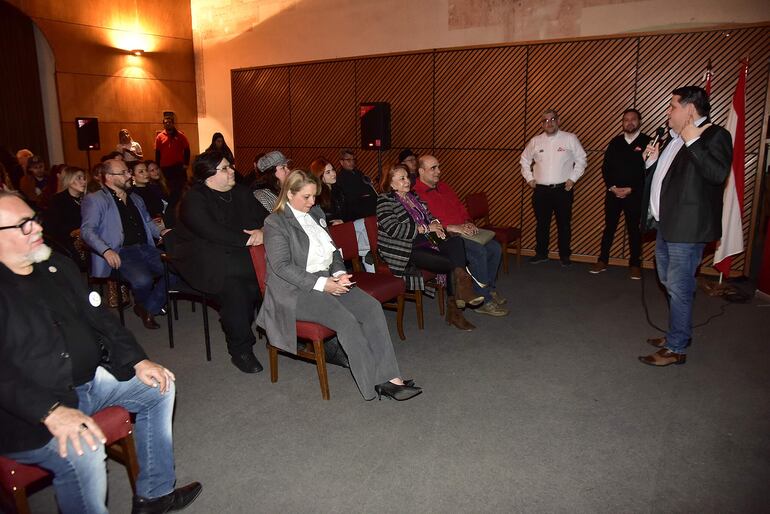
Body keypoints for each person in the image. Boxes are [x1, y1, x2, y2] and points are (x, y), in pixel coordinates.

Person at [0, 191, 201, 514]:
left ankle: (155, 494)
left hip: (87, 383)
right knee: (85, 448)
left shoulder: (54, 264)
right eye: (24, 225)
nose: (37, 228)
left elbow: (101, 319)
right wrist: (49, 411)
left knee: (160, 385)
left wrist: (138, 360)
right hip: (29, 412)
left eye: (34, 219)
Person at [257, 170, 421, 401]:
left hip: (327, 278)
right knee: (347, 320)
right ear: (289, 193)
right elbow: (282, 267)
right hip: (295, 291)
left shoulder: (314, 212)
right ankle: (373, 382)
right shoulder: (275, 222)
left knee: (371, 307)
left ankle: (390, 377)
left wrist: (340, 273)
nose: (312, 202)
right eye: (306, 197)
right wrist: (324, 284)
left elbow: (333, 250)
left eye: (314, 196)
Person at [638, 86, 732, 367]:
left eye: (672, 107)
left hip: (688, 230)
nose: (668, 112)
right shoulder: (676, 138)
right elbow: (670, 179)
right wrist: (652, 163)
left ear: (690, 110)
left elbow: (717, 174)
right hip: (669, 225)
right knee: (671, 283)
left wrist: (694, 142)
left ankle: (676, 347)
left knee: (677, 286)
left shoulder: (715, 135)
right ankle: (677, 333)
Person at [168, 151, 270, 374]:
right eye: (225, 168)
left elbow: (268, 217)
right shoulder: (194, 199)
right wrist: (251, 238)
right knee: (237, 288)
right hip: (206, 259)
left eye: (230, 166)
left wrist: (263, 230)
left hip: (241, 253)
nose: (232, 170)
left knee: (275, 275)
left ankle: (285, 330)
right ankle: (241, 349)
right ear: (208, 176)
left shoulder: (241, 193)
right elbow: (212, 232)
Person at [377, 164, 484, 331]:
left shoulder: (413, 197)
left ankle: (459, 295)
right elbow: (395, 230)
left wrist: (435, 224)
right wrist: (427, 228)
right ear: (391, 184)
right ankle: (457, 304)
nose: (407, 181)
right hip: (405, 249)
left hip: (426, 242)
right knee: (452, 263)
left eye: (407, 177)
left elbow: (430, 216)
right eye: (402, 178)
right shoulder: (385, 201)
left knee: (457, 242)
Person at [80, 159, 169, 330]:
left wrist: (164, 233)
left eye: (128, 172)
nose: (129, 175)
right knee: (143, 281)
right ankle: (149, 306)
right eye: (124, 173)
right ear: (108, 177)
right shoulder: (96, 199)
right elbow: (87, 231)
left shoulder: (136, 198)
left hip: (146, 248)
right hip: (121, 252)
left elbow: (148, 223)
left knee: (176, 269)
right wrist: (106, 251)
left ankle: (148, 307)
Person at [414, 155, 507, 316]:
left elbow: (460, 207)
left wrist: (467, 222)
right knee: (479, 252)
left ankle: (489, 289)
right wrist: (455, 227)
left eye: (438, 167)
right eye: (433, 168)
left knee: (495, 248)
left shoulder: (444, 187)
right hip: (446, 237)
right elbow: (426, 221)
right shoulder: (415, 194)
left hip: (463, 230)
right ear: (421, 171)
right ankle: (483, 301)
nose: (439, 171)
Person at [520, 109, 587, 266]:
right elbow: (524, 160)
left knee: (564, 224)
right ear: (541, 124)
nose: (549, 123)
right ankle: (541, 253)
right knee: (542, 224)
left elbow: (582, 159)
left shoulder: (570, 138)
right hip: (541, 190)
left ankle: (565, 255)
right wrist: (529, 178)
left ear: (558, 121)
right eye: (545, 121)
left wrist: (573, 178)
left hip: (563, 190)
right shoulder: (535, 141)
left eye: (552, 120)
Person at [591, 109, 650, 279]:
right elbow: (606, 167)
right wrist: (612, 187)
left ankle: (635, 264)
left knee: (634, 230)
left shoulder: (647, 142)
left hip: (635, 194)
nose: (629, 122)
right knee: (609, 228)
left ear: (639, 121)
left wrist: (632, 188)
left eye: (633, 119)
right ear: (622, 123)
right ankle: (602, 260)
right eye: (626, 120)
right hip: (613, 194)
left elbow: (649, 171)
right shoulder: (615, 142)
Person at [45, 166, 88, 269]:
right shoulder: (58, 200)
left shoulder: (87, 199)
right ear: (69, 180)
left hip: (87, 237)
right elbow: (53, 228)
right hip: (67, 242)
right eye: (78, 178)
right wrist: (76, 231)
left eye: (84, 178)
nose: (83, 182)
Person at [154, 113, 190, 225]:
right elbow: (157, 153)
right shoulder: (159, 137)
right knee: (168, 189)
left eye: (169, 122)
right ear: (163, 125)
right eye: (165, 123)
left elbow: (187, 150)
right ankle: (170, 211)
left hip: (178, 167)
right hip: (165, 168)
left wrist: (186, 164)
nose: (168, 124)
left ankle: (181, 209)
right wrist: (158, 166)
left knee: (180, 188)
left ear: (173, 123)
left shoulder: (180, 135)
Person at [336, 148, 378, 221]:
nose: (352, 162)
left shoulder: (359, 173)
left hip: (367, 207)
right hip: (354, 212)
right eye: (348, 160)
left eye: (353, 160)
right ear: (341, 162)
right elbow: (349, 196)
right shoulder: (340, 177)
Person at [309, 157, 345, 224]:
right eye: (328, 172)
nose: (333, 174)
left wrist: (344, 220)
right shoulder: (317, 195)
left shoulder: (339, 189)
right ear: (319, 176)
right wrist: (330, 223)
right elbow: (315, 219)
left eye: (333, 170)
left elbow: (347, 211)